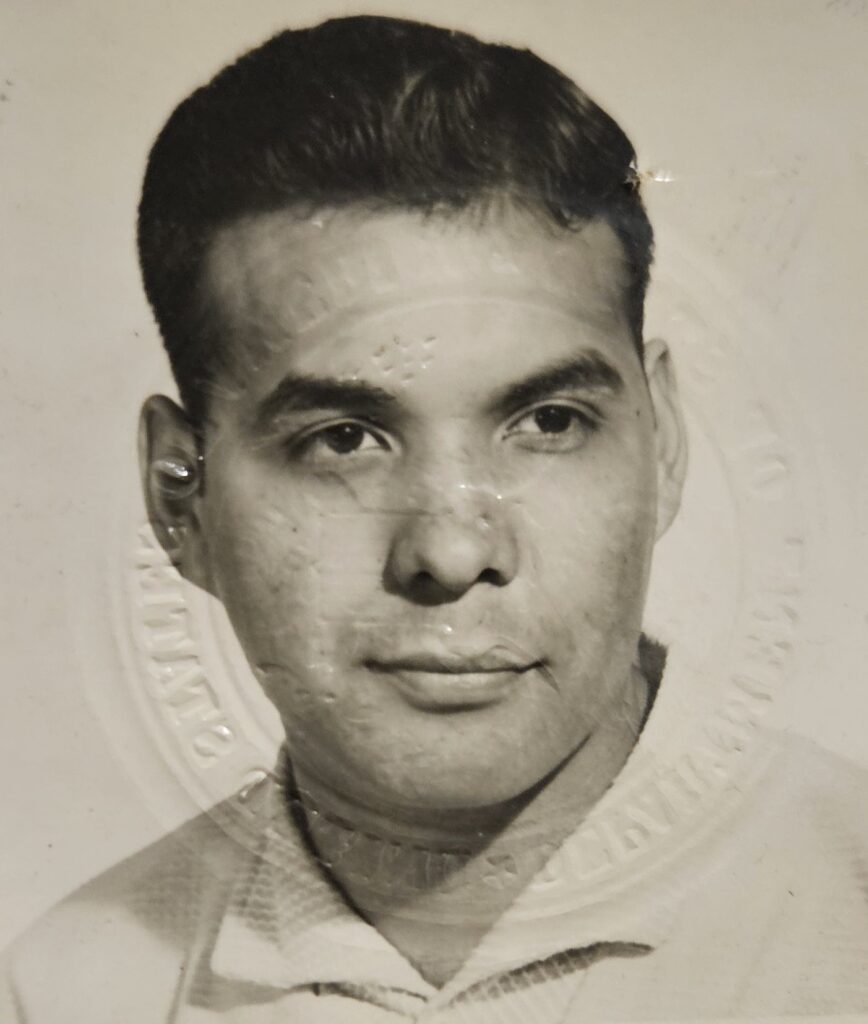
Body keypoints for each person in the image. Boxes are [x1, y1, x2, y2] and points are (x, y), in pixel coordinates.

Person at [4, 15, 867, 1023]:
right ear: (179, 495)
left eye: (548, 422)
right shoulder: (65, 990)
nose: (453, 551)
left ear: (663, 441)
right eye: (342, 439)